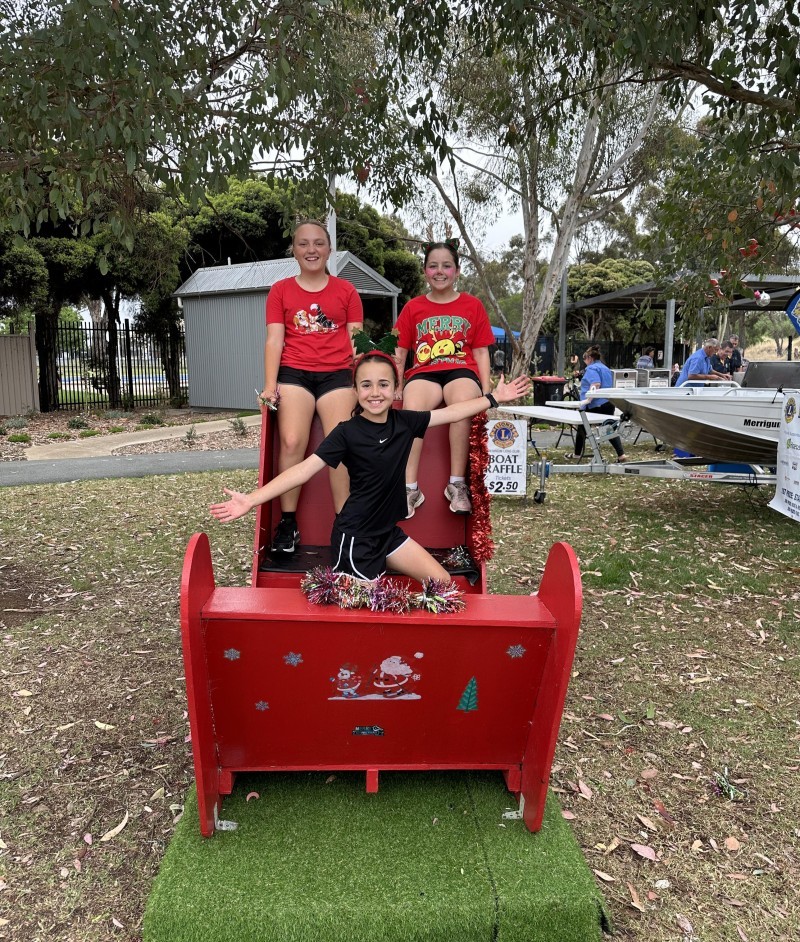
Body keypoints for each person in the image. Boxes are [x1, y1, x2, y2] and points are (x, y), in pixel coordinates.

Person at [211, 351, 532, 584]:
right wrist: (251, 500)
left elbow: (451, 414)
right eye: (365, 385)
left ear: (396, 390)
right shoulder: (347, 434)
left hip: (388, 535)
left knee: (443, 583)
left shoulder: (405, 422)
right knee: (365, 610)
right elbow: (303, 470)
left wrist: (493, 398)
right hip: (355, 539)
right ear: (355, 391)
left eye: (382, 384)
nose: (374, 392)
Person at [260, 220, 363, 553]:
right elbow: (275, 340)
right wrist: (269, 385)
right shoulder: (280, 290)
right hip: (295, 373)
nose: (311, 250)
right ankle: (287, 524)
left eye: (318, 243)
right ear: (294, 250)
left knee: (341, 446)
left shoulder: (346, 291)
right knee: (291, 440)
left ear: (329, 249)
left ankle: (345, 526)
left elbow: (357, 341)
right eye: (303, 244)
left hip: (337, 373)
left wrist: (364, 382)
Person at [393, 238, 495, 518]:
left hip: (461, 370)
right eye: (433, 266)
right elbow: (400, 351)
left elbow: (481, 351)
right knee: (413, 411)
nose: (439, 271)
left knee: (462, 406)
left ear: (457, 271)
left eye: (446, 266)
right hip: (424, 372)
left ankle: (456, 485)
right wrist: (399, 385)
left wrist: (486, 392)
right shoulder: (413, 307)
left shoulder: (472, 305)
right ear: (425, 271)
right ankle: (409, 488)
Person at [565, 345, 628, 462]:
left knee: (582, 426)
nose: (584, 362)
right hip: (608, 402)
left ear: (589, 358)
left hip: (595, 404)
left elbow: (595, 384)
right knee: (608, 428)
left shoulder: (592, 369)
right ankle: (621, 454)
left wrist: (587, 400)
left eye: (585, 359)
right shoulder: (605, 368)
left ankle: (577, 454)